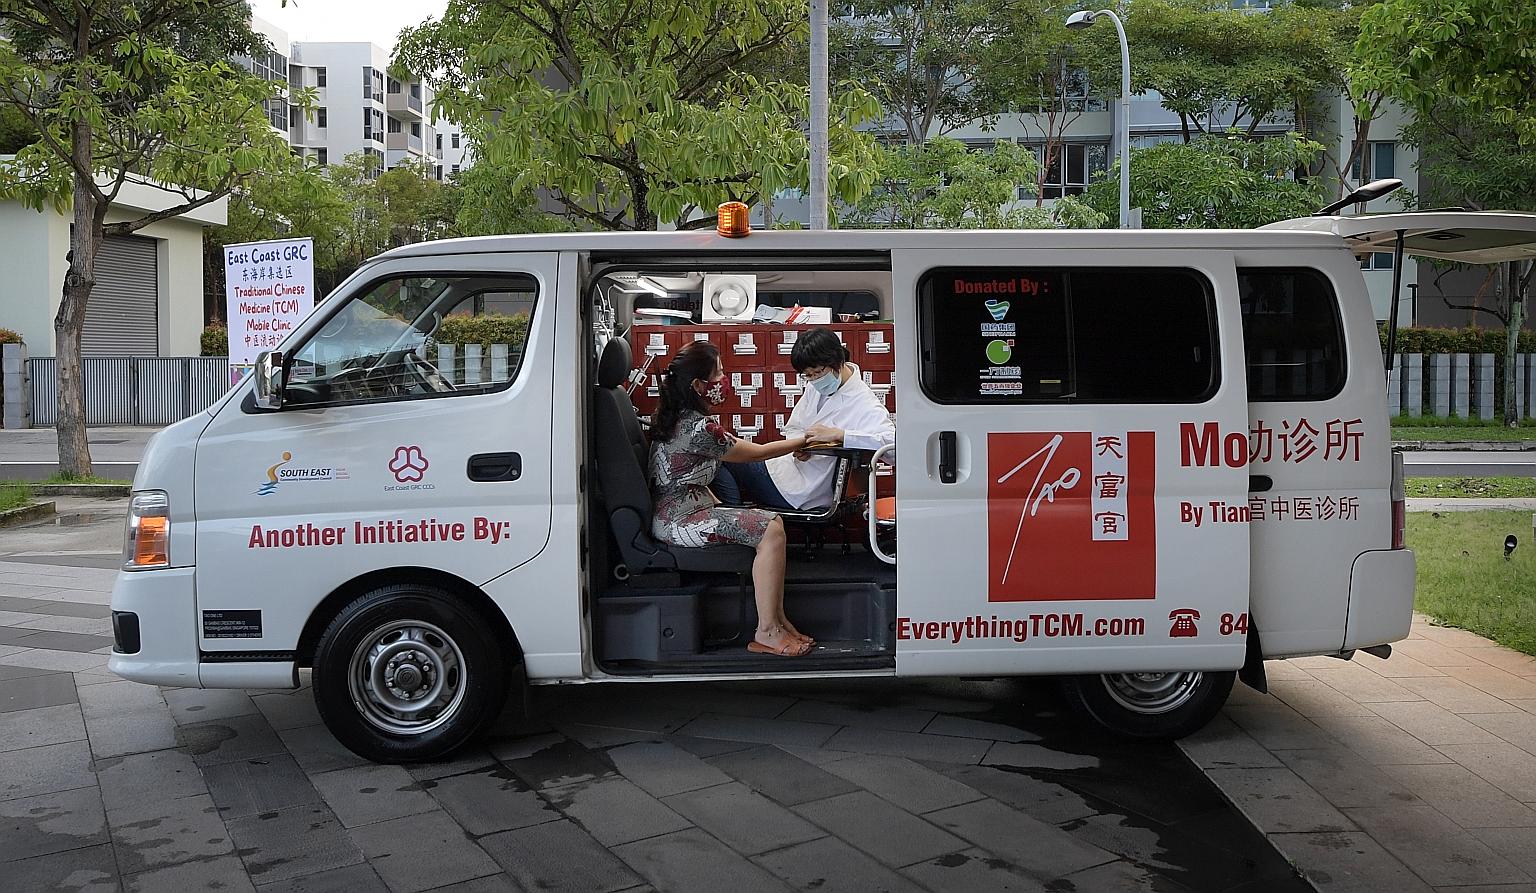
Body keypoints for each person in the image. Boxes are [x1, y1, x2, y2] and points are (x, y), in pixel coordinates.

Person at [648, 340, 838, 657]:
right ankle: (767, 631)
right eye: (719, 372)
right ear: (698, 384)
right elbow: (757, 454)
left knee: (769, 522)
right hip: (679, 522)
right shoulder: (700, 428)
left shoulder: (680, 417)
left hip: (681, 512)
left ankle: (778, 622)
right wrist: (805, 440)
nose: (725, 378)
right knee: (770, 528)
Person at [714, 327, 894, 511]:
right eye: (808, 375)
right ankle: (734, 520)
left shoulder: (864, 402)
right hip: (790, 470)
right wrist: (798, 446)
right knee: (717, 455)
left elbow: (893, 447)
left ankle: (732, 521)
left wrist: (842, 435)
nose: (814, 380)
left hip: (803, 490)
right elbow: (795, 426)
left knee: (717, 455)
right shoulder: (817, 386)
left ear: (838, 361)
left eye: (817, 373)